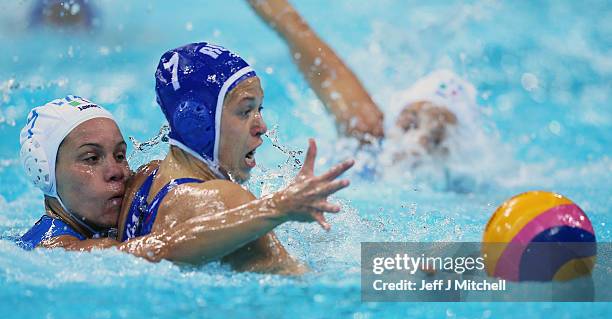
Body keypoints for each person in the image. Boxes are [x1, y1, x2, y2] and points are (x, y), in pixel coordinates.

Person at [17, 95, 353, 272]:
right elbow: (161, 250)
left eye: (120, 155)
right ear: (45, 172)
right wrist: (276, 208)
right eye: (92, 159)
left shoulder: (135, 192)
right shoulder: (54, 250)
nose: (116, 171)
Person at [117, 42, 354, 274]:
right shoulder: (226, 200)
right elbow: (305, 288)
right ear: (196, 123)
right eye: (245, 111)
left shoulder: (142, 181)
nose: (261, 126)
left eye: (259, 110)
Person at [247, 0, 481, 162]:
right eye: (409, 125)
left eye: (435, 140)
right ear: (395, 117)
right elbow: (296, 30)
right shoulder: (368, 136)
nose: (417, 145)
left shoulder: (466, 185)